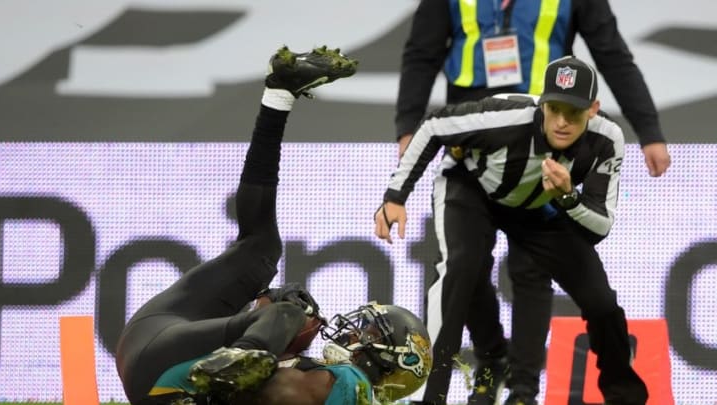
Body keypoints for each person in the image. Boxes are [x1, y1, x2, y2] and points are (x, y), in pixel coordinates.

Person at [115, 45, 433, 405]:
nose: (351, 332)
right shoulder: (325, 376)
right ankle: (279, 95)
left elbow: (286, 386)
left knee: (288, 306)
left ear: (393, 358)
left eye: (370, 330)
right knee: (266, 259)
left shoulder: (353, 382)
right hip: (172, 355)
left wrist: (281, 325)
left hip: (147, 350)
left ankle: (242, 356)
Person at [394, 1, 670, 403]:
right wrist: (408, 124)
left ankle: (523, 388)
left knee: (532, 268)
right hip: (482, 126)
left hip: (554, 115)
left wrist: (649, 129)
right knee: (464, 263)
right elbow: (422, 50)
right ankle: (492, 358)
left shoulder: (594, 129)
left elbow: (610, 51)